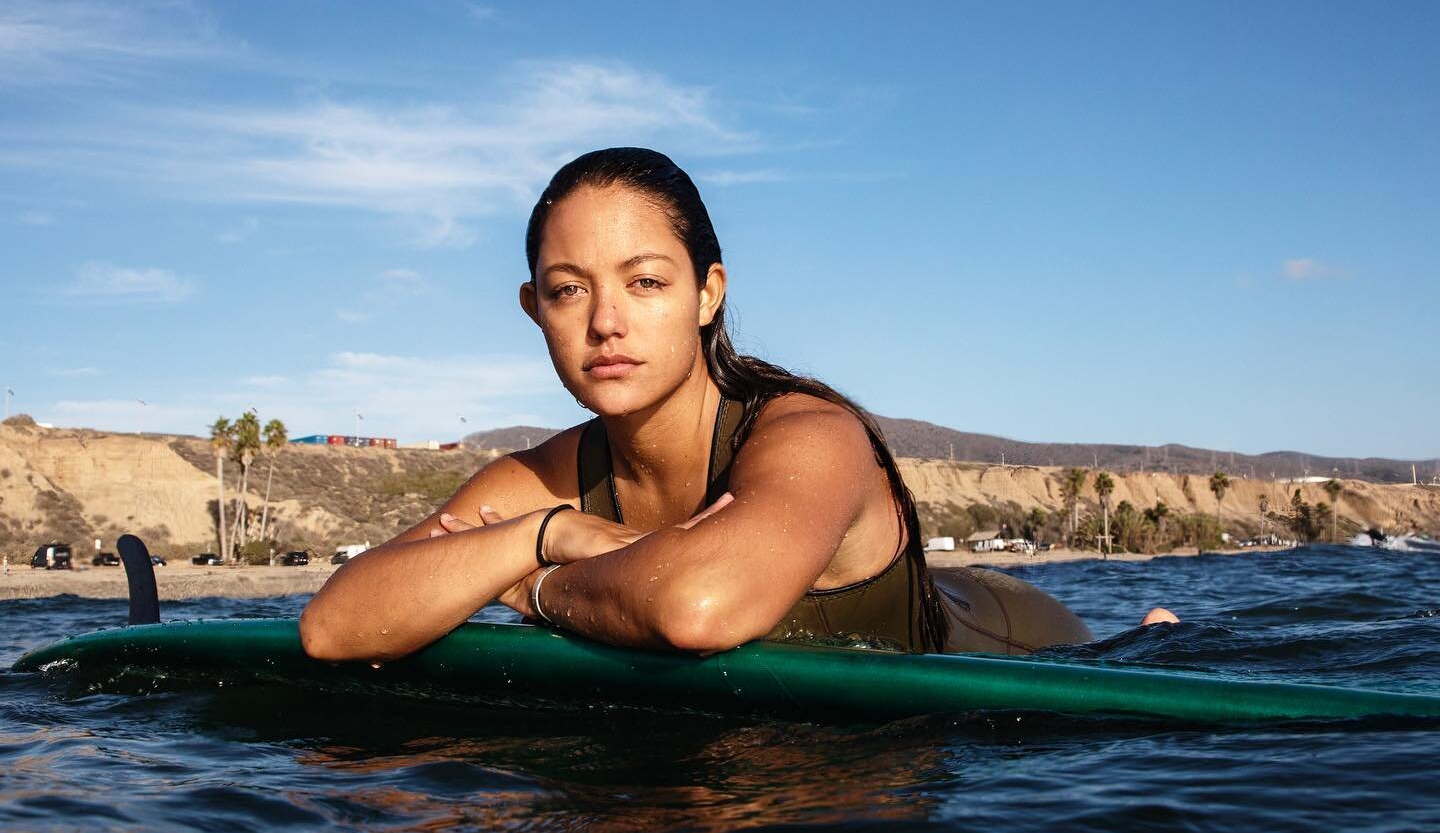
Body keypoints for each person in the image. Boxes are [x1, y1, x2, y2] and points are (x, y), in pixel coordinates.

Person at [300, 148, 1121, 664]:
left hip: (1024, 643)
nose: (606, 321)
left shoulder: (810, 434)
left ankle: (1152, 631)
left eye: (646, 281)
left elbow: (700, 608)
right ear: (532, 309)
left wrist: (535, 586)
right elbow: (334, 627)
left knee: (1145, 640)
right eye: (567, 290)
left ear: (707, 294)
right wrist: (543, 535)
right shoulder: (544, 480)